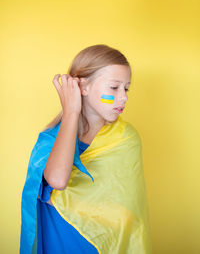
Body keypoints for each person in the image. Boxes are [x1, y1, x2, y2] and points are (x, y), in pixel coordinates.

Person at [20, 44, 152, 254]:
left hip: (106, 245)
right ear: (82, 87)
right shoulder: (50, 139)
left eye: (126, 88)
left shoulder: (125, 138)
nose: (124, 97)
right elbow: (58, 180)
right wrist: (71, 111)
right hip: (62, 242)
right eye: (114, 87)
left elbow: (126, 203)